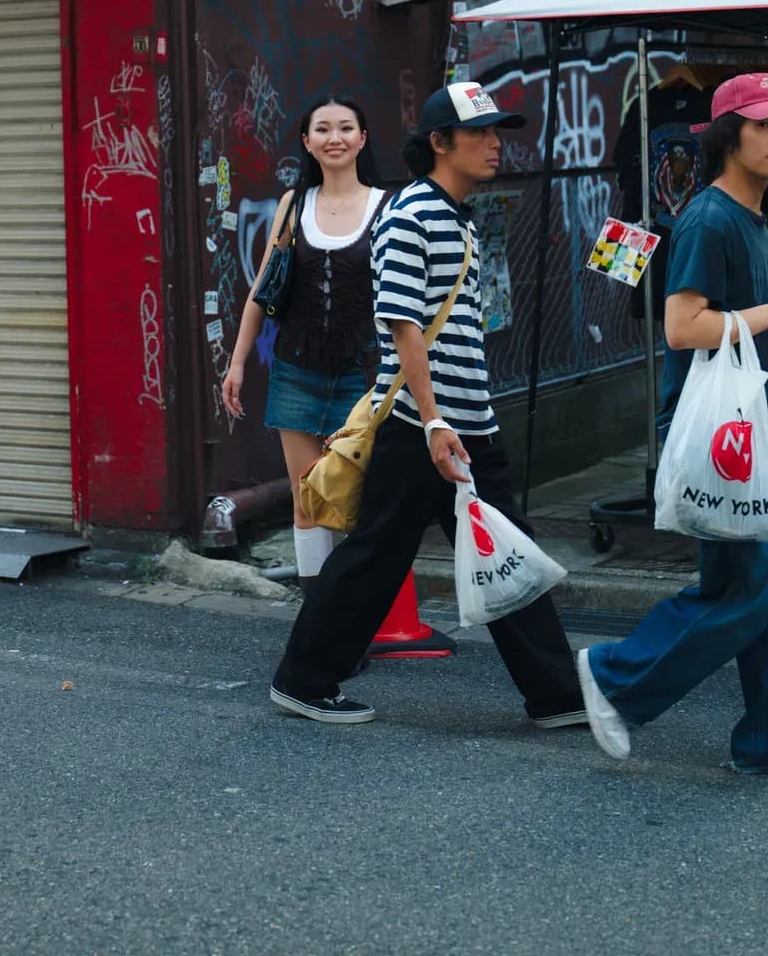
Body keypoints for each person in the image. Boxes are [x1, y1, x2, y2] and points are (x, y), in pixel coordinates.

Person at [269, 81, 587, 727]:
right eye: (481, 134)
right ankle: (304, 679)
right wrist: (437, 419)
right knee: (375, 558)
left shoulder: (453, 213)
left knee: (502, 550)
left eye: (498, 133)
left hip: (463, 423)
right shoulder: (414, 212)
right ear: (439, 143)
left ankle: (556, 695)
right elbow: (401, 324)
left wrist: (462, 418)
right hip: (422, 426)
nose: (495, 145)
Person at [578, 73, 768, 773]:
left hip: (750, 430)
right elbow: (682, 326)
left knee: (749, 590)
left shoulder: (752, 217)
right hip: (722, 438)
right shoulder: (708, 218)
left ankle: (761, 743)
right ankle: (614, 675)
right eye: (763, 126)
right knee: (747, 591)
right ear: (727, 135)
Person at [223, 94, 388, 589]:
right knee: (306, 497)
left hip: (362, 375)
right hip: (296, 369)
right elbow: (264, 288)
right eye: (322, 129)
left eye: (344, 128)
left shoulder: (387, 206)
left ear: (362, 139)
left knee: (357, 498)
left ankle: (354, 615)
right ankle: (317, 614)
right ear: (307, 142)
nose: (334, 138)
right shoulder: (295, 205)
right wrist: (236, 364)